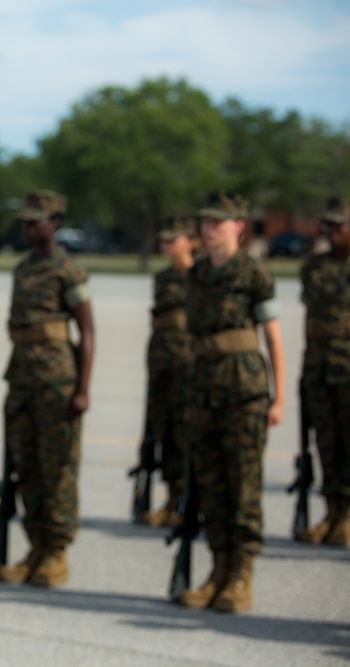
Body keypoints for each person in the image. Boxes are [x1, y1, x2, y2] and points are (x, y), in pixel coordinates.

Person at [179, 192, 285, 614]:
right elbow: (193, 340)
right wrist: (189, 396)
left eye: (218, 223)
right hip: (205, 392)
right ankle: (218, 569)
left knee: (242, 486)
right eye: (205, 222)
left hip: (243, 392)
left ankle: (241, 575)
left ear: (239, 226)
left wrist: (278, 399)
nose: (209, 230)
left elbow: (273, 336)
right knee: (211, 486)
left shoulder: (254, 273)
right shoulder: (199, 273)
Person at [0, 191, 94, 588]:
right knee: (27, 468)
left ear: (55, 222)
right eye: (25, 220)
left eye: (36, 220)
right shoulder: (22, 269)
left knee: (58, 469)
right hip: (22, 380)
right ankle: (35, 546)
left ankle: (56, 552)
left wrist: (83, 388)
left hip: (57, 382)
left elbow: (87, 330)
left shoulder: (67, 269)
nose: (28, 227)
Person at [298, 197, 350, 547]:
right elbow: (309, 318)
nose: (333, 232)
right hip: (320, 366)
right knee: (325, 440)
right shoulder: (314, 267)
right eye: (328, 225)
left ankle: (349, 515)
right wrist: (306, 360)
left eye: (339, 226)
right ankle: (331, 511)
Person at [137, 216, 197, 528]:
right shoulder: (162, 278)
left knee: (185, 431)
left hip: (187, 363)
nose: (167, 244)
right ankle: (172, 495)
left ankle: (186, 497)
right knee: (164, 432)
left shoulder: (200, 276)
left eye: (174, 239)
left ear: (191, 242)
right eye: (164, 239)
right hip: (162, 363)